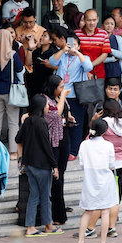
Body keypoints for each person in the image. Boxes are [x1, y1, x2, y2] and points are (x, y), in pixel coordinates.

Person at [87, 86, 122, 238]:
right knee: (115, 196)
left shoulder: (104, 124)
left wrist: (94, 121)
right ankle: (112, 228)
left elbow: (90, 140)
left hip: (105, 165)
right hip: (121, 162)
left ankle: (90, 229)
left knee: (100, 196)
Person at [15, 94, 61, 238]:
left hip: (29, 165)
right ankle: (48, 225)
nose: (48, 107)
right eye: (46, 105)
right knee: (45, 196)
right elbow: (46, 146)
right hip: (41, 165)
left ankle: (30, 227)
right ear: (41, 107)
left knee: (34, 196)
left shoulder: (28, 121)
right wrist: (55, 166)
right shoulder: (41, 122)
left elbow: (18, 139)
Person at [48, 28, 93, 158]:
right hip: (60, 94)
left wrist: (77, 53)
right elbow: (52, 61)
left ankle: (74, 151)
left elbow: (89, 67)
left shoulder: (83, 58)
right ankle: (61, 149)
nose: (71, 47)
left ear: (78, 46)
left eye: (74, 44)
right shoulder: (62, 55)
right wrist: (63, 50)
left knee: (76, 123)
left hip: (75, 95)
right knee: (60, 122)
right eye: (70, 44)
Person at [75, 118, 117, 243]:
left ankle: (80, 241)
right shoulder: (108, 145)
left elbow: (81, 163)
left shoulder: (84, 144)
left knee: (87, 211)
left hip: (89, 180)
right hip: (105, 180)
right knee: (105, 211)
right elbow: (111, 165)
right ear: (105, 131)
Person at [0, 28, 25, 152]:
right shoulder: (13, 55)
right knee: (13, 122)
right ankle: (14, 151)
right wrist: (21, 83)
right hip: (12, 92)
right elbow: (20, 72)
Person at [42, 75, 73, 225]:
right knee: (55, 177)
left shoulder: (61, 98)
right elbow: (55, 114)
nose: (63, 89)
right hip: (53, 141)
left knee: (61, 173)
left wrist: (70, 118)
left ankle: (60, 206)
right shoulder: (45, 100)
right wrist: (62, 98)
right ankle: (57, 214)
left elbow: (66, 112)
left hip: (64, 138)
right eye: (60, 86)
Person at [76, 9, 111, 80]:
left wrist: (89, 66)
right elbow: (72, 54)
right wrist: (86, 69)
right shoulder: (76, 34)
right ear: (84, 20)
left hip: (98, 74)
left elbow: (104, 54)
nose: (92, 23)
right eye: (89, 20)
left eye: (94, 20)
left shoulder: (103, 34)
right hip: (80, 73)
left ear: (98, 19)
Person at [25, 29, 57, 98]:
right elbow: (28, 63)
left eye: (44, 36)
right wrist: (30, 48)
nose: (41, 37)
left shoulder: (53, 53)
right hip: (33, 84)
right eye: (42, 35)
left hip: (46, 85)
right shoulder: (36, 51)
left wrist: (49, 65)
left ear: (50, 41)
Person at [102, 15, 122, 87]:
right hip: (102, 71)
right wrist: (111, 59)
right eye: (107, 23)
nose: (109, 26)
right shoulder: (100, 38)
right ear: (102, 25)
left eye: (112, 24)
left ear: (114, 26)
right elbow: (97, 59)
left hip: (115, 71)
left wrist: (110, 50)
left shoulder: (118, 38)